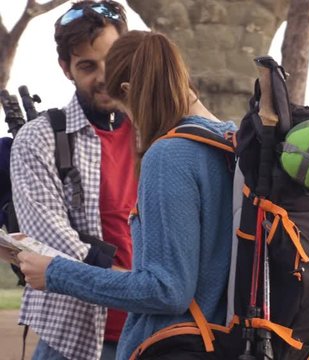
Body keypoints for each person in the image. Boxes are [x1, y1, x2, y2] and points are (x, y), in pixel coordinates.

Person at [17, 30, 236, 360]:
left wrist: (54, 273)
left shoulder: (169, 155)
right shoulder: (229, 141)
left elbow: (165, 290)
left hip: (174, 347)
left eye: (125, 109)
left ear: (128, 92)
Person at [9, 1, 136, 359]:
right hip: (72, 339)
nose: (104, 76)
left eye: (112, 59)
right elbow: (51, 241)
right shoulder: (40, 139)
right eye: (87, 66)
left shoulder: (158, 133)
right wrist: (141, 288)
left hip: (153, 335)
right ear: (66, 68)